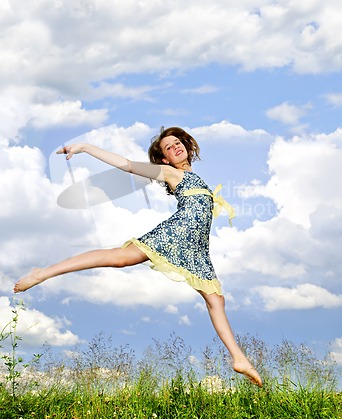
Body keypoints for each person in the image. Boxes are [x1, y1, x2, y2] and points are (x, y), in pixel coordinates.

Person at [14, 126, 262, 387]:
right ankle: (42, 273)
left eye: (178, 142)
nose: (176, 147)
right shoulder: (171, 172)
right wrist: (85, 147)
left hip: (196, 247)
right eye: (169, 147)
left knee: (216, 300)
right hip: (176, 233)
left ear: (187, 146)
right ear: (165, 159)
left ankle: (239, 359)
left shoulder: (195, 177)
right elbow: (129, 165)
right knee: (121, 258)